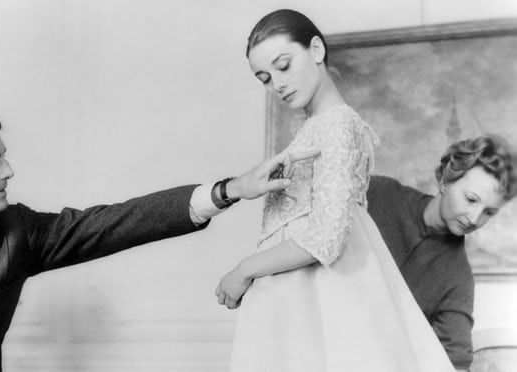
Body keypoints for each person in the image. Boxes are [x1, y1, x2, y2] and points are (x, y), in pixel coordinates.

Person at [0, 107, 318, 372]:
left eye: (4, 156)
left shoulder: (18, 233)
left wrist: (230, 190)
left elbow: (116, 222)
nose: (9, 171)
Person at [215, 9, 455, 371]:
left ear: (315, 49)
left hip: (327, 295)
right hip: (293, 300)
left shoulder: (338, 126)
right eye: (264, 77)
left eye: (283, 65)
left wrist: (244, 270)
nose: (276, 83)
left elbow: (325, 239)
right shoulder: (315, 128)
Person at [367, 135, 517, 371]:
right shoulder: (378, 193)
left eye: (489, 212)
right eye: (470, 199)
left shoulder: (458, 280)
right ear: (447, 180)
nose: (475, 218)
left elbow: (456, 362)